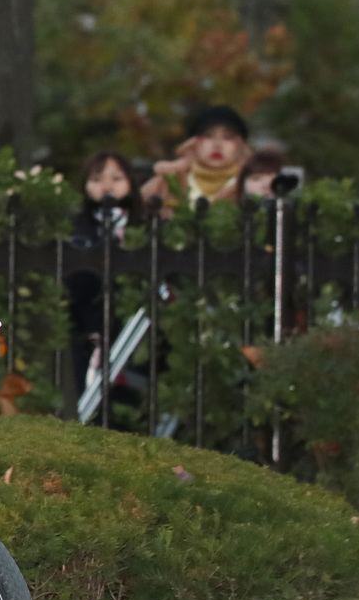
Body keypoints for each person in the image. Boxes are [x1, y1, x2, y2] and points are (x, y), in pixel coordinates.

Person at [65, 151, 137, 401]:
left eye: (116, 178)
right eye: (97, 179)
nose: (107, 186)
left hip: (134, 332)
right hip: (84, 331)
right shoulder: (73, 227)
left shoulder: (145, 226)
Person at [140, 104, 253, 209]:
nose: (217, 145)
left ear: (240, 145)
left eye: (228, 137)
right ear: (192, 143)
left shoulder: (251, 185)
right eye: (208, 136)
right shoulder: (165, 183)